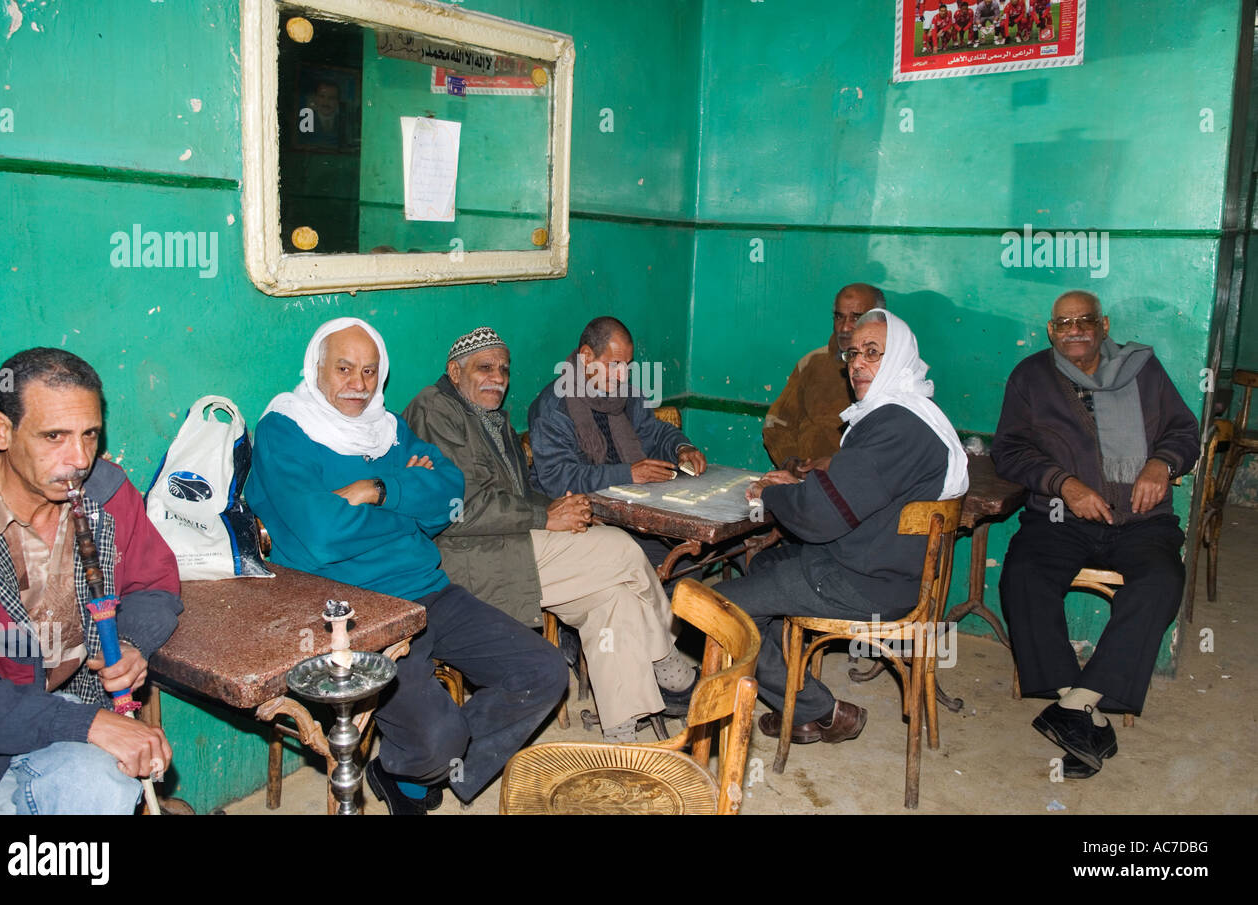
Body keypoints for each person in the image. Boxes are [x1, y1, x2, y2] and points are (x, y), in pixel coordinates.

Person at [244, 318, 565, 812]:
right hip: (352, 611)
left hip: (428, 588)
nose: (359, 384)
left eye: (370, 371)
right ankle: (420, 764)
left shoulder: (387, 426)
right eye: (344, 369)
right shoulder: (283, 431)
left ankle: (405, 769)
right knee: (441, 736)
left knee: (544, 670)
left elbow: (450, 492)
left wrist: (379, 489)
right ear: (316, 369)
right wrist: (407, 512)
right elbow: (322, 536)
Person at [403, 327, 695, 741]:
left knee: (616, 599)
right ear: (454, 371)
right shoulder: (436, 410)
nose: (498, 378)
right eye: (484, 368)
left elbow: (525, 492)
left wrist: (563, 512)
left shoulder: (491, 419)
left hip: (512, 541)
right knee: (622, 550)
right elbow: (462, 510)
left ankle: (621, 733)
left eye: (504, 369)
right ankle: (666, 655)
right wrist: (547, 518)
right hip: (467, 558)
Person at [722, 310, 968, 745]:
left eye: (873, 353)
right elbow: (856, 489)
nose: (857, 363)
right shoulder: (911, 413)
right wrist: (801, 483)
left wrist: (769, 496)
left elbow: (819, 518)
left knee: (715, 608)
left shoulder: (897, 425)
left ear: (900, 359)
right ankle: (795, 703)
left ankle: (822, 709)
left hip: (864, 582)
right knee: (765, 564)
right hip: (885, 569)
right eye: (852, 353)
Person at [0, 348, 181, 815]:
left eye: (89, 435)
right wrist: (86, 725)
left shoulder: (108, 491)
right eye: (54, 436)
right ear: (2, 431)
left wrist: (130, 643)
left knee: (106, 782)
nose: (78, 459)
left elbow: (155, 582)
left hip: (74, 704)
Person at [993, 291, 1198, 778]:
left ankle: (1077, 704)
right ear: (1050, 330)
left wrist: (1159, 464)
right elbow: (1009, 450)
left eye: (1084, 320)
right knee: (1022, 577)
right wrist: (1065, 484)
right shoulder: (1031, 377)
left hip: (1142, 520)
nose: (1074, 330)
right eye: (1063, 323)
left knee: (1160, 582)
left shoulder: (1143, 369)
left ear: (1103, 324)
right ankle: (1086, 712)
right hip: (1061, 518)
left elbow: (1184, 431)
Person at [528, 316, 707, 568]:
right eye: (614, 365)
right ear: (587, 357)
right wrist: (628, 473)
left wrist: (682, 447)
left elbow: (654, 433)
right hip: (580, 519)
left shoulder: (627, 395)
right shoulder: (554, 408)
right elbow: (559, 479)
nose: (623, 376)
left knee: (687, 554)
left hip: (630, 509)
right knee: (674, 562)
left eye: (627, 366)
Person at [762, 283, 885, 472]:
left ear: (879, 320)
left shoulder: (897, 371)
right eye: (839, 317)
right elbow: (777, 423)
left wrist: (838, 467)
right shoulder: (813, 363)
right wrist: (790, 462)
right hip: (805, 482)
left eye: (856, 317)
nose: (845, 327)